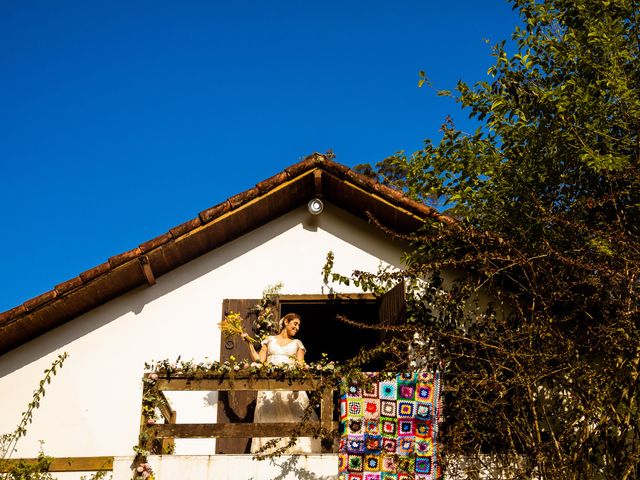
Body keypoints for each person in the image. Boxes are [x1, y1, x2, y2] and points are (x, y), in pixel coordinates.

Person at [242, 313, 320, 454]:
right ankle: (271, 448)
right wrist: (249, 343)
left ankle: (294, 447)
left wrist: (307, 370)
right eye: (295, 324)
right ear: (286, 322)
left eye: (298, 326)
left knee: (293, 414)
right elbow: (260, 361)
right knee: (270, 413)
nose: (297, 328)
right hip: (270, 385)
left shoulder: (298, 344)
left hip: (290, 383)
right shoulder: (269, 340)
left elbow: (300, 364)